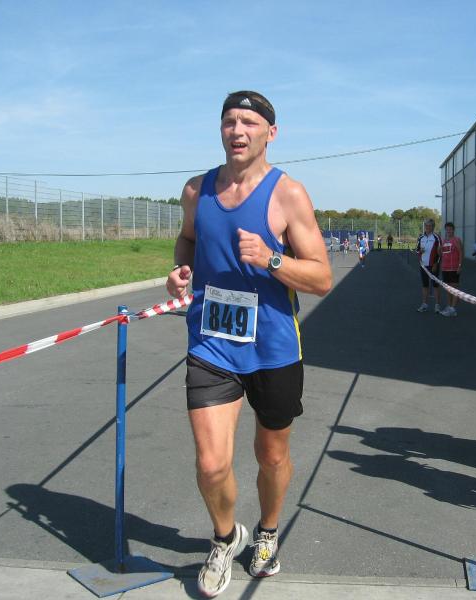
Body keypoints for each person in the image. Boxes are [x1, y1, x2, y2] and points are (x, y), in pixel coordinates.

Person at [166, 90, 332, 598]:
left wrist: (272, 259)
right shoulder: (196, 190)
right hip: (211, 344)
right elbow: (188, 239)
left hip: (273, 349)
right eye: (229, 122)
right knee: (211, 463)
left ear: (270, 133)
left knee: (271, 456)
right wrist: (180, 271)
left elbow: (322, 278)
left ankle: (267, 532)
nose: (238, 131)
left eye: (249, 122)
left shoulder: (289, 194)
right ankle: (223, 539)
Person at [416, 218, 442, 313]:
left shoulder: (437, 237)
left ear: (433, 227)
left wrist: (436, 264)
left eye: (430, 226)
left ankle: (437, 305)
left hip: (433, 265)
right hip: (423, 266)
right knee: (425, 285)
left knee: (435, 285)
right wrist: (420, 251)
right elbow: (416, 250)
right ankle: (424, 304)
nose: (428, 227)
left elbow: (440, 253)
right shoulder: (421, 238)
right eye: (426, 225)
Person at [439, 221, 463, 316]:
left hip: (454, 268)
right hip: (445, 268)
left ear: (453, 230)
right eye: (447, 229)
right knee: (448, 289)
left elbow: (461, 253)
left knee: (454, 288)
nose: (449, 231)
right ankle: (449, 306)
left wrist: (460, 266)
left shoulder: (456, 240)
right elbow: (440, 254)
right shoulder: (444, 241)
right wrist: (439, 249)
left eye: (450, 229)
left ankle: (453, 309)